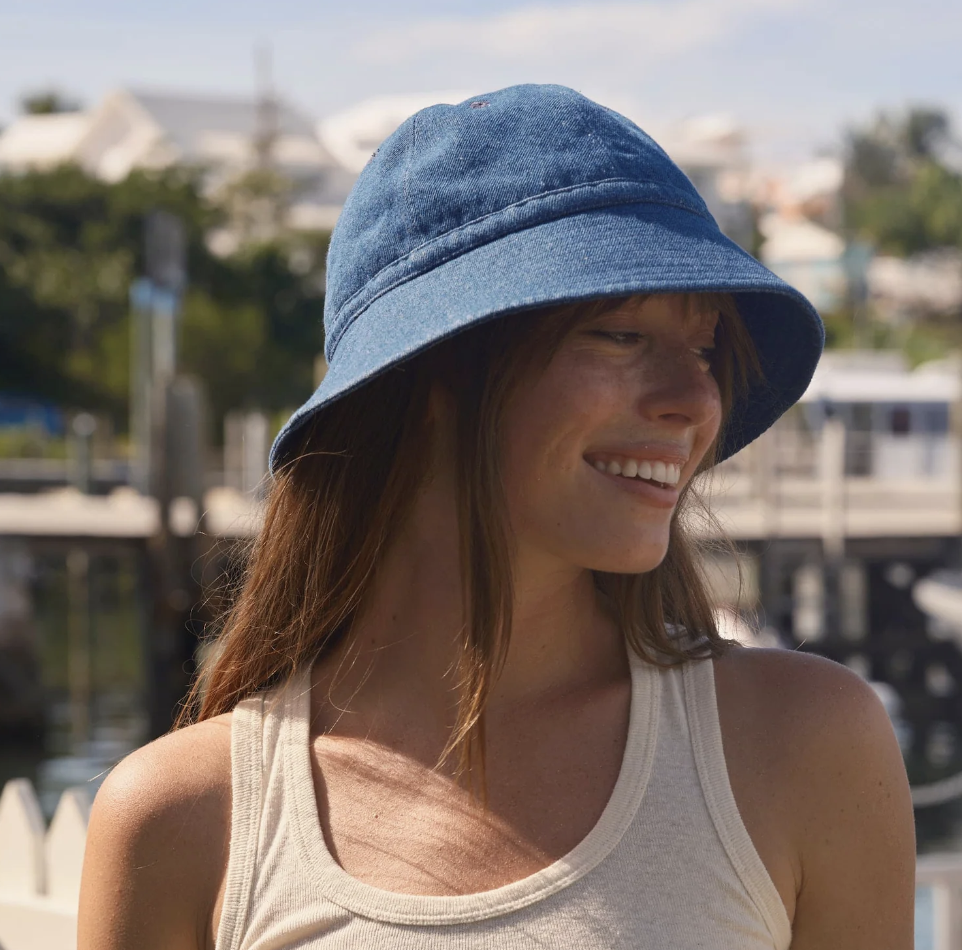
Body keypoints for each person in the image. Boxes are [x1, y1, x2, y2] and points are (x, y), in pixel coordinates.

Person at [78, 84, 915, 950]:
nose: (694, 399)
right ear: (434, 374)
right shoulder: (184, 824)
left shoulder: (804, 749)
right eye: (623, 336)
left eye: (704, 348)